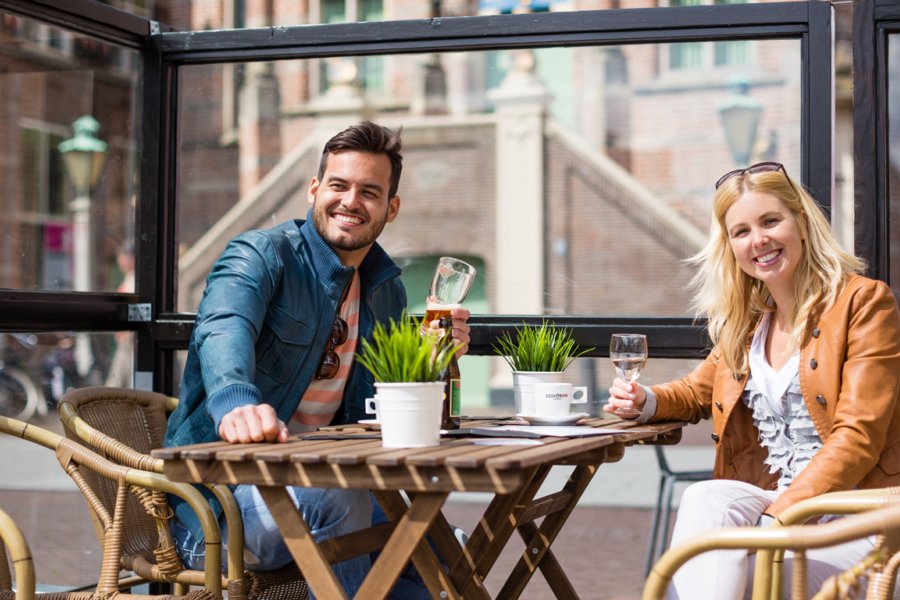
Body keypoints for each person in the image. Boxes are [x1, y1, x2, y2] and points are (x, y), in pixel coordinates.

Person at [164, 121, 471, 599]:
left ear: (391, 208)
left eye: (369, 191)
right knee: (341, 497)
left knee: (442, 548)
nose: (350, 201)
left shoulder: (384, 289)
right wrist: (236, 401)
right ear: (314, 189)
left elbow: (379, 408)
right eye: (338, 185)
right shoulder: (260, 255)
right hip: (220, 511)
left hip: (327, 483)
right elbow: (224, 326)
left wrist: (428, 364)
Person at [606, 162, 900, 599]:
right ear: (730, 247)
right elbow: (696, 391)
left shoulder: (863, 303)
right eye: (740, 231)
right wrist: (643, 398)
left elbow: (858, 437)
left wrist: (778, 521)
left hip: (854, 522)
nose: (758, 240)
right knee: (706, 500)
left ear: (801, 222)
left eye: (770, 221)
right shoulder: (750, 325)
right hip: (777, 519)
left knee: (728, 576)